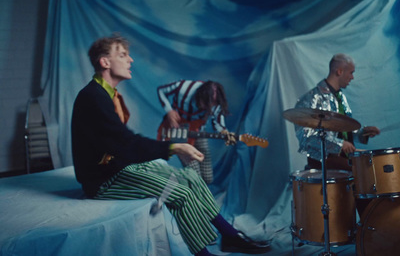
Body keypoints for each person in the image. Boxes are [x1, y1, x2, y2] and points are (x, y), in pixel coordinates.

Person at [71, 34, 270, 256]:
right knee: (179, 193)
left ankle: (231, 236)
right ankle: (204, 254)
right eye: (123, 55)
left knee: (192, 177)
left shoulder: (108, 94)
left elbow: (119, 144)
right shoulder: (93, 97)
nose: (131, 60)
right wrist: (173, 147)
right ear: (105, 62)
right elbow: (123, 142)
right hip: (103, 179)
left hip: (120, 164)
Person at [294, 53, 380, 216]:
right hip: (323, 159)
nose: (352, 77)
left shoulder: (340, 97)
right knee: (362, 173)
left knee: (370, 168)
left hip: (341, 158)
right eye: (351, 72)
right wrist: (339, 145)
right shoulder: (311, 99)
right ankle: (369, 228)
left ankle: (370, 226)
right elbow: (307, 138)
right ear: (339, 71)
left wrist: (364, 133)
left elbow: (344, 130)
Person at [157, 80, 236, 184]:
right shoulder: (183, 87)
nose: (210, 107)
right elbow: (161, 90)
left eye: (213, 104)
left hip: (198, 131)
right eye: (208, 103)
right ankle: (178, 188)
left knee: (208, 178)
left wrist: (224, 132)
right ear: (200, 95)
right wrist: (169, 111)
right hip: (179, 132)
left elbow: (218, 121)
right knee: (195, 176)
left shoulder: (216, 101)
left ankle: (190, 189)